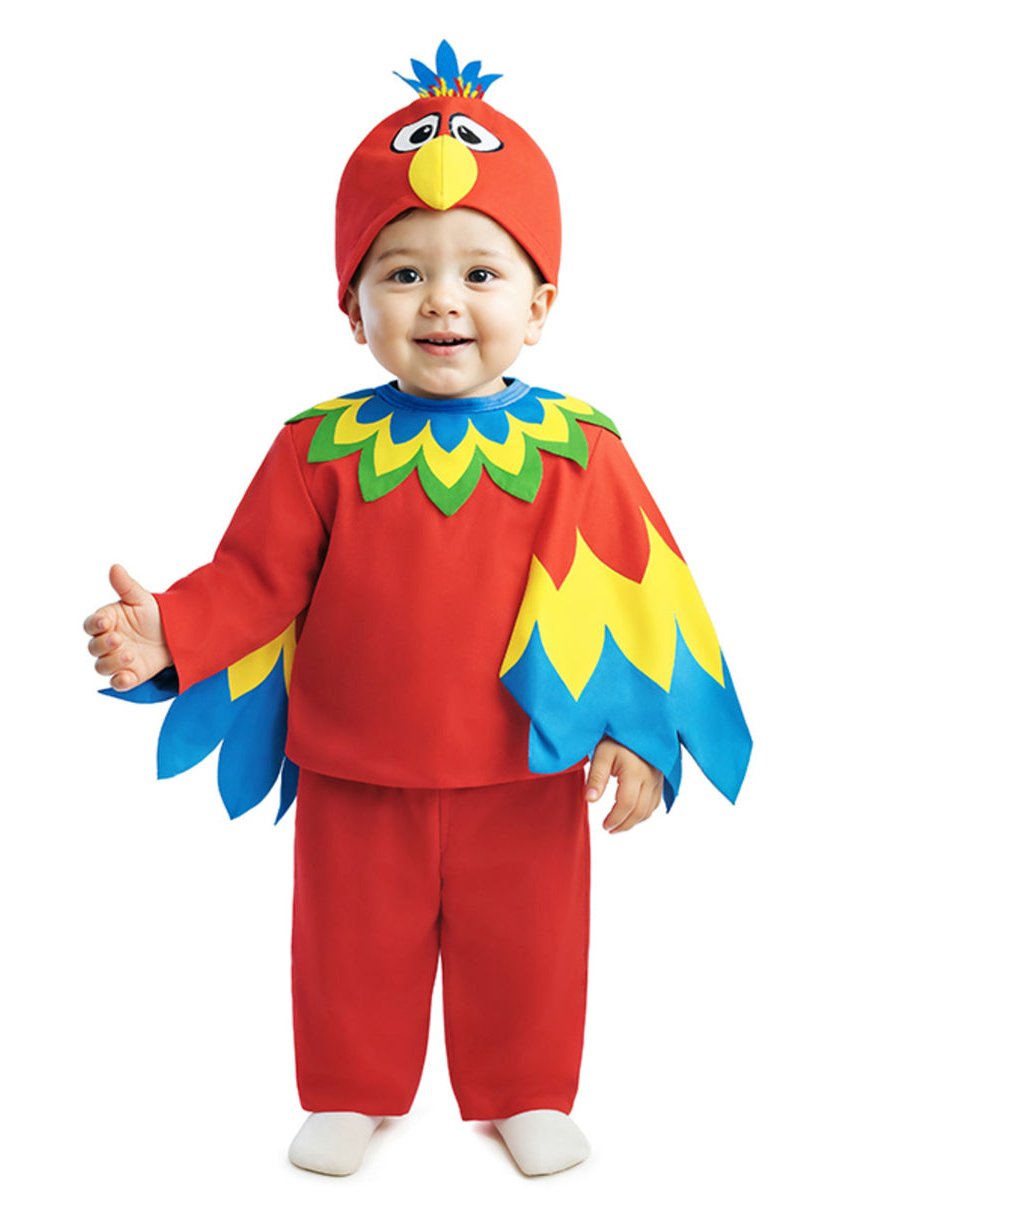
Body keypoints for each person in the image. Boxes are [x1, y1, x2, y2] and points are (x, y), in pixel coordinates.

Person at [83, 41, 751, 1178]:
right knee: (349, 944)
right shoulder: (319, 447)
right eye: (402, 274)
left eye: (481, 273)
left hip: (526, 762)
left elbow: (636, 590)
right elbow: (254, 579)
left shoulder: (579, 448)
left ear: (541, 305)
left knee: (530, 944)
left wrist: (639, 730)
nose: (441, 299)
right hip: (357, 761)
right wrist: (169, 637)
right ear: (353, 309)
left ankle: (527, 1091)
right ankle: (351, 1090)